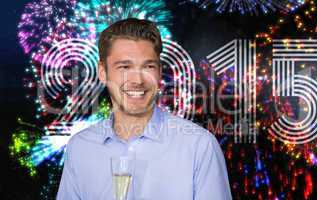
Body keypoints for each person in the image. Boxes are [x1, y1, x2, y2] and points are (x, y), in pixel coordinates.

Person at [57, 18, 232, 200]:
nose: (138, 80)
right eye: (124, 67)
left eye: (148, 66)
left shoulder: (200, 147)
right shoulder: (80, 148)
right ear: (102, 72)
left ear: (159, 71)